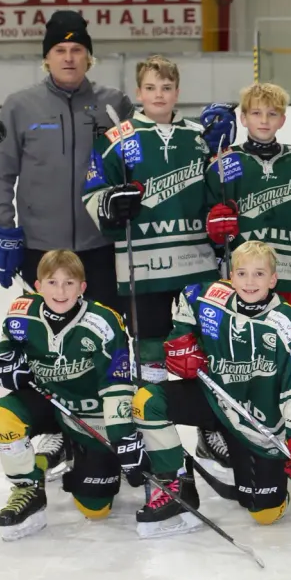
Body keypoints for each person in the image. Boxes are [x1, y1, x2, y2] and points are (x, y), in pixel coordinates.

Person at [0, 10, 133, 477]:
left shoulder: (115, 105)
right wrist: (2, 229)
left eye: (77, 50)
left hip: (100, 248)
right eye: (59, 51)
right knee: (51, 343)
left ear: (89, 56)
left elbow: (145, 164)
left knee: (108, 340)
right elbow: (0, 171)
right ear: (46, 58)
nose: (69, 58)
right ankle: (56, 427)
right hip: (42, 250)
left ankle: (113, 427)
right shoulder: (21, 106)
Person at [132, 241, 291, 536]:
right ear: (230, 277)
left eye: (259, 274)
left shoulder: (288, 323)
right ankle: (176, 480)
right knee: (147, 401)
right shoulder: (210, 297)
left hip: (259, 425)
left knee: (264, 513)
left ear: (273, 280)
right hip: (215, 399)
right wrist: (182, 339)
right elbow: (188, 297)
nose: (250, 282)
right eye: (242, 273)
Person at [199, 82, 291, 488]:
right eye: (256, 113)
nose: (263, 121)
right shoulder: (222, 166)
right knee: (247, 357)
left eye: (272, 114)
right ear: (242, 118)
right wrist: (214, 228)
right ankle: (245, 427)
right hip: (246, 284)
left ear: (283, 118)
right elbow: (207, 227)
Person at [82, 56, 219, 389]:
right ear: (138, 92)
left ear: (177, 92)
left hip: (196, 263)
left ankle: (208, 429)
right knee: (150, 348)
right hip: (143, 266)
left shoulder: (199, 136)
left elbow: (219, 191)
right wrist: (108, 204)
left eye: (167, 88)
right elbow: (92, 191)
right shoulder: (117, 138)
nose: (159, 95)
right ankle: (153, 424)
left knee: (202, 349)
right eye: (151, 87)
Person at [0, 250, 138, 540]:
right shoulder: (21, 313)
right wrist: (5, 368)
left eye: (69, 283)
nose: (60, 290)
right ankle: (28, 488)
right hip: (46, 400)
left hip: (89, 414)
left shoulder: (104, 321)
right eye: (52, 283)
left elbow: (117, 385)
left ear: (82, 288)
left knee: (96, 510)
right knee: (3, 418)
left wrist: (122, 437)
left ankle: (63, 450)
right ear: (38, 285)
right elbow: (5, 353)